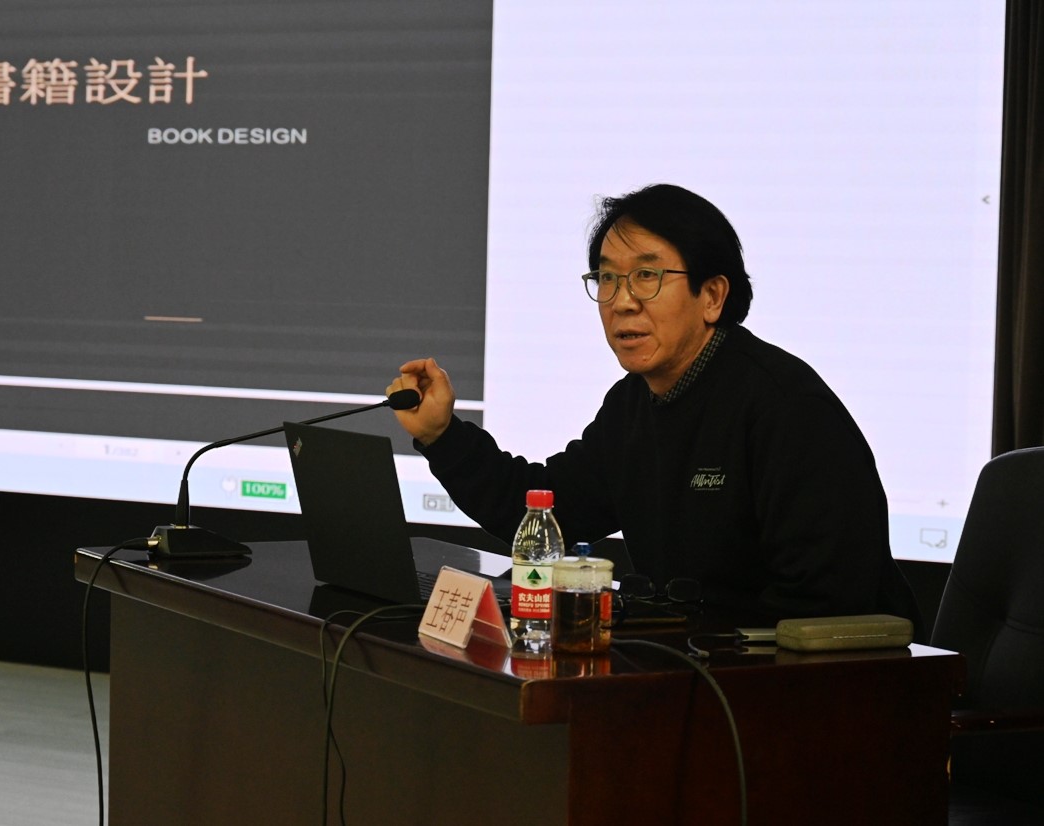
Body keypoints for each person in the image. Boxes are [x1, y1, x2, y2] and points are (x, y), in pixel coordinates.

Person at [386, 183, 920, 626]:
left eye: (646, 276)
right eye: (607, 278)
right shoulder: (634, 405)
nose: (622, 301)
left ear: (713, 296)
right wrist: (441, 434)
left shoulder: (787, 409)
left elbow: (824, 610)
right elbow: (548, 515)